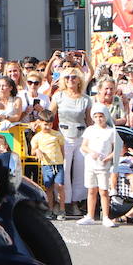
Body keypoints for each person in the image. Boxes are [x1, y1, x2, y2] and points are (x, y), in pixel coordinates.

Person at [53, 69, 92, 217]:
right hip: (64, 136)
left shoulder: (86, 99)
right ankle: (61, 202)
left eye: (73, 77)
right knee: (64, 170)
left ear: (79, 80)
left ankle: (75, 202)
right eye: (67, 77)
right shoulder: (59, 96)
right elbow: (50, 115)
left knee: (80, 171)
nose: (70, 79)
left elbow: (89, 120)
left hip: (81, 135)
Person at [78, 107, 120, 227]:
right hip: (90, 164)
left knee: (104, 191)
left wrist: (108, 158)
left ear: (106, 117)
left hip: (103, 166)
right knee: (91, 190)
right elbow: (84, 146)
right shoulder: (90, 130)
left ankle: (106, 216)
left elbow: (116, 149)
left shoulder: (111, 131)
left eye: (101, 116)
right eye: (95, 116)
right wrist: (91, 152)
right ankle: (90, 215)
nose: (98, 119)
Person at [31, 110, 66, 217]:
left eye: (50, 124)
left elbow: (62, 148)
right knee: (49, 187)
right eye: (45, 124)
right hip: (46, 165)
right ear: (40, 123)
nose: (47, 127)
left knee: (60, 186)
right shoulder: (37, 137)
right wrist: (37, 150)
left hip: (58, 164)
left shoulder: (57, 135)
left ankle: (62, 209)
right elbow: (32, 151)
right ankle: (50, 209)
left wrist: (62, 160)